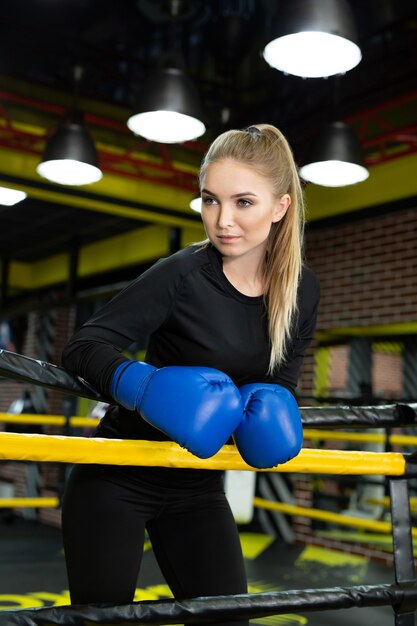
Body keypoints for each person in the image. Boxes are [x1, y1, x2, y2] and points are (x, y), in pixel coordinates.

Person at [60, 123, 320, 621]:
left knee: (229, 617)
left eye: (243, 202)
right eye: (209, 200)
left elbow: (279, 383)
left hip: (197, 486)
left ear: (281, 207)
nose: (222, 221)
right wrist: (144, 387)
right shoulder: (182, 274)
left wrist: (269, 410)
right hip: (117, 477)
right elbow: (84, 345)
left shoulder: (301, 292)